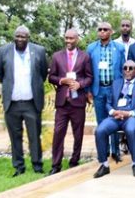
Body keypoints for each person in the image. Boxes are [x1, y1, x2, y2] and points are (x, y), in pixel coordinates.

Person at [0, 25, 48, 177]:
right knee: (15, 137)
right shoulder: (3, 51)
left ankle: (37, 165)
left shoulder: (39, 51)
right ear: (14, 37)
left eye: (23, 36)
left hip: (31, 103)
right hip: (12, 104)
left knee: (34, 136)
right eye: (17, 36)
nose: (20, 39)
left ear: (28, 38)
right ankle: (19, 166)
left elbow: (43, 74)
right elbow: (1, 74)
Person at [47, 29, 93, 175]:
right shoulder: (56, 56)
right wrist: (62, 80)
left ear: (77, 39)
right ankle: (56, 165)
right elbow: (51, 77)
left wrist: (80, 84)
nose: (68, 41)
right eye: (66, 38)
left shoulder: (85, 57)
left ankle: (74, 161)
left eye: (71, 38)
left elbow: (89, 77)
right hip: (62, 102)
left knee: (78, 134)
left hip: (78, 101)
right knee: (58, 132)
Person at [93, 60, 135, 178]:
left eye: (131, 68)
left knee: (132, 130)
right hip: (116, 116)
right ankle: (104, 165)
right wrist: (114, 112)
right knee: (100, 130)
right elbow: (108, 103)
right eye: (125, 68)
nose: (127, 70)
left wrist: (130, 113)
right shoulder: (115, 83)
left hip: (131, 117)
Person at [87, 22, 125, 162]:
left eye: (105, 29)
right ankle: (103, 152)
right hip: (98, 89)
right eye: (100, 29)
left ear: (111, 32)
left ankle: (115, 151)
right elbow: (88, 71)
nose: (102, 31)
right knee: (101, 121)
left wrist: (122, 89)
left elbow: (123, 69)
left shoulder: (119, 48)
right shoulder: (91, 48)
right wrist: (88, 90)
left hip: (114, 90)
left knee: (114, 120)